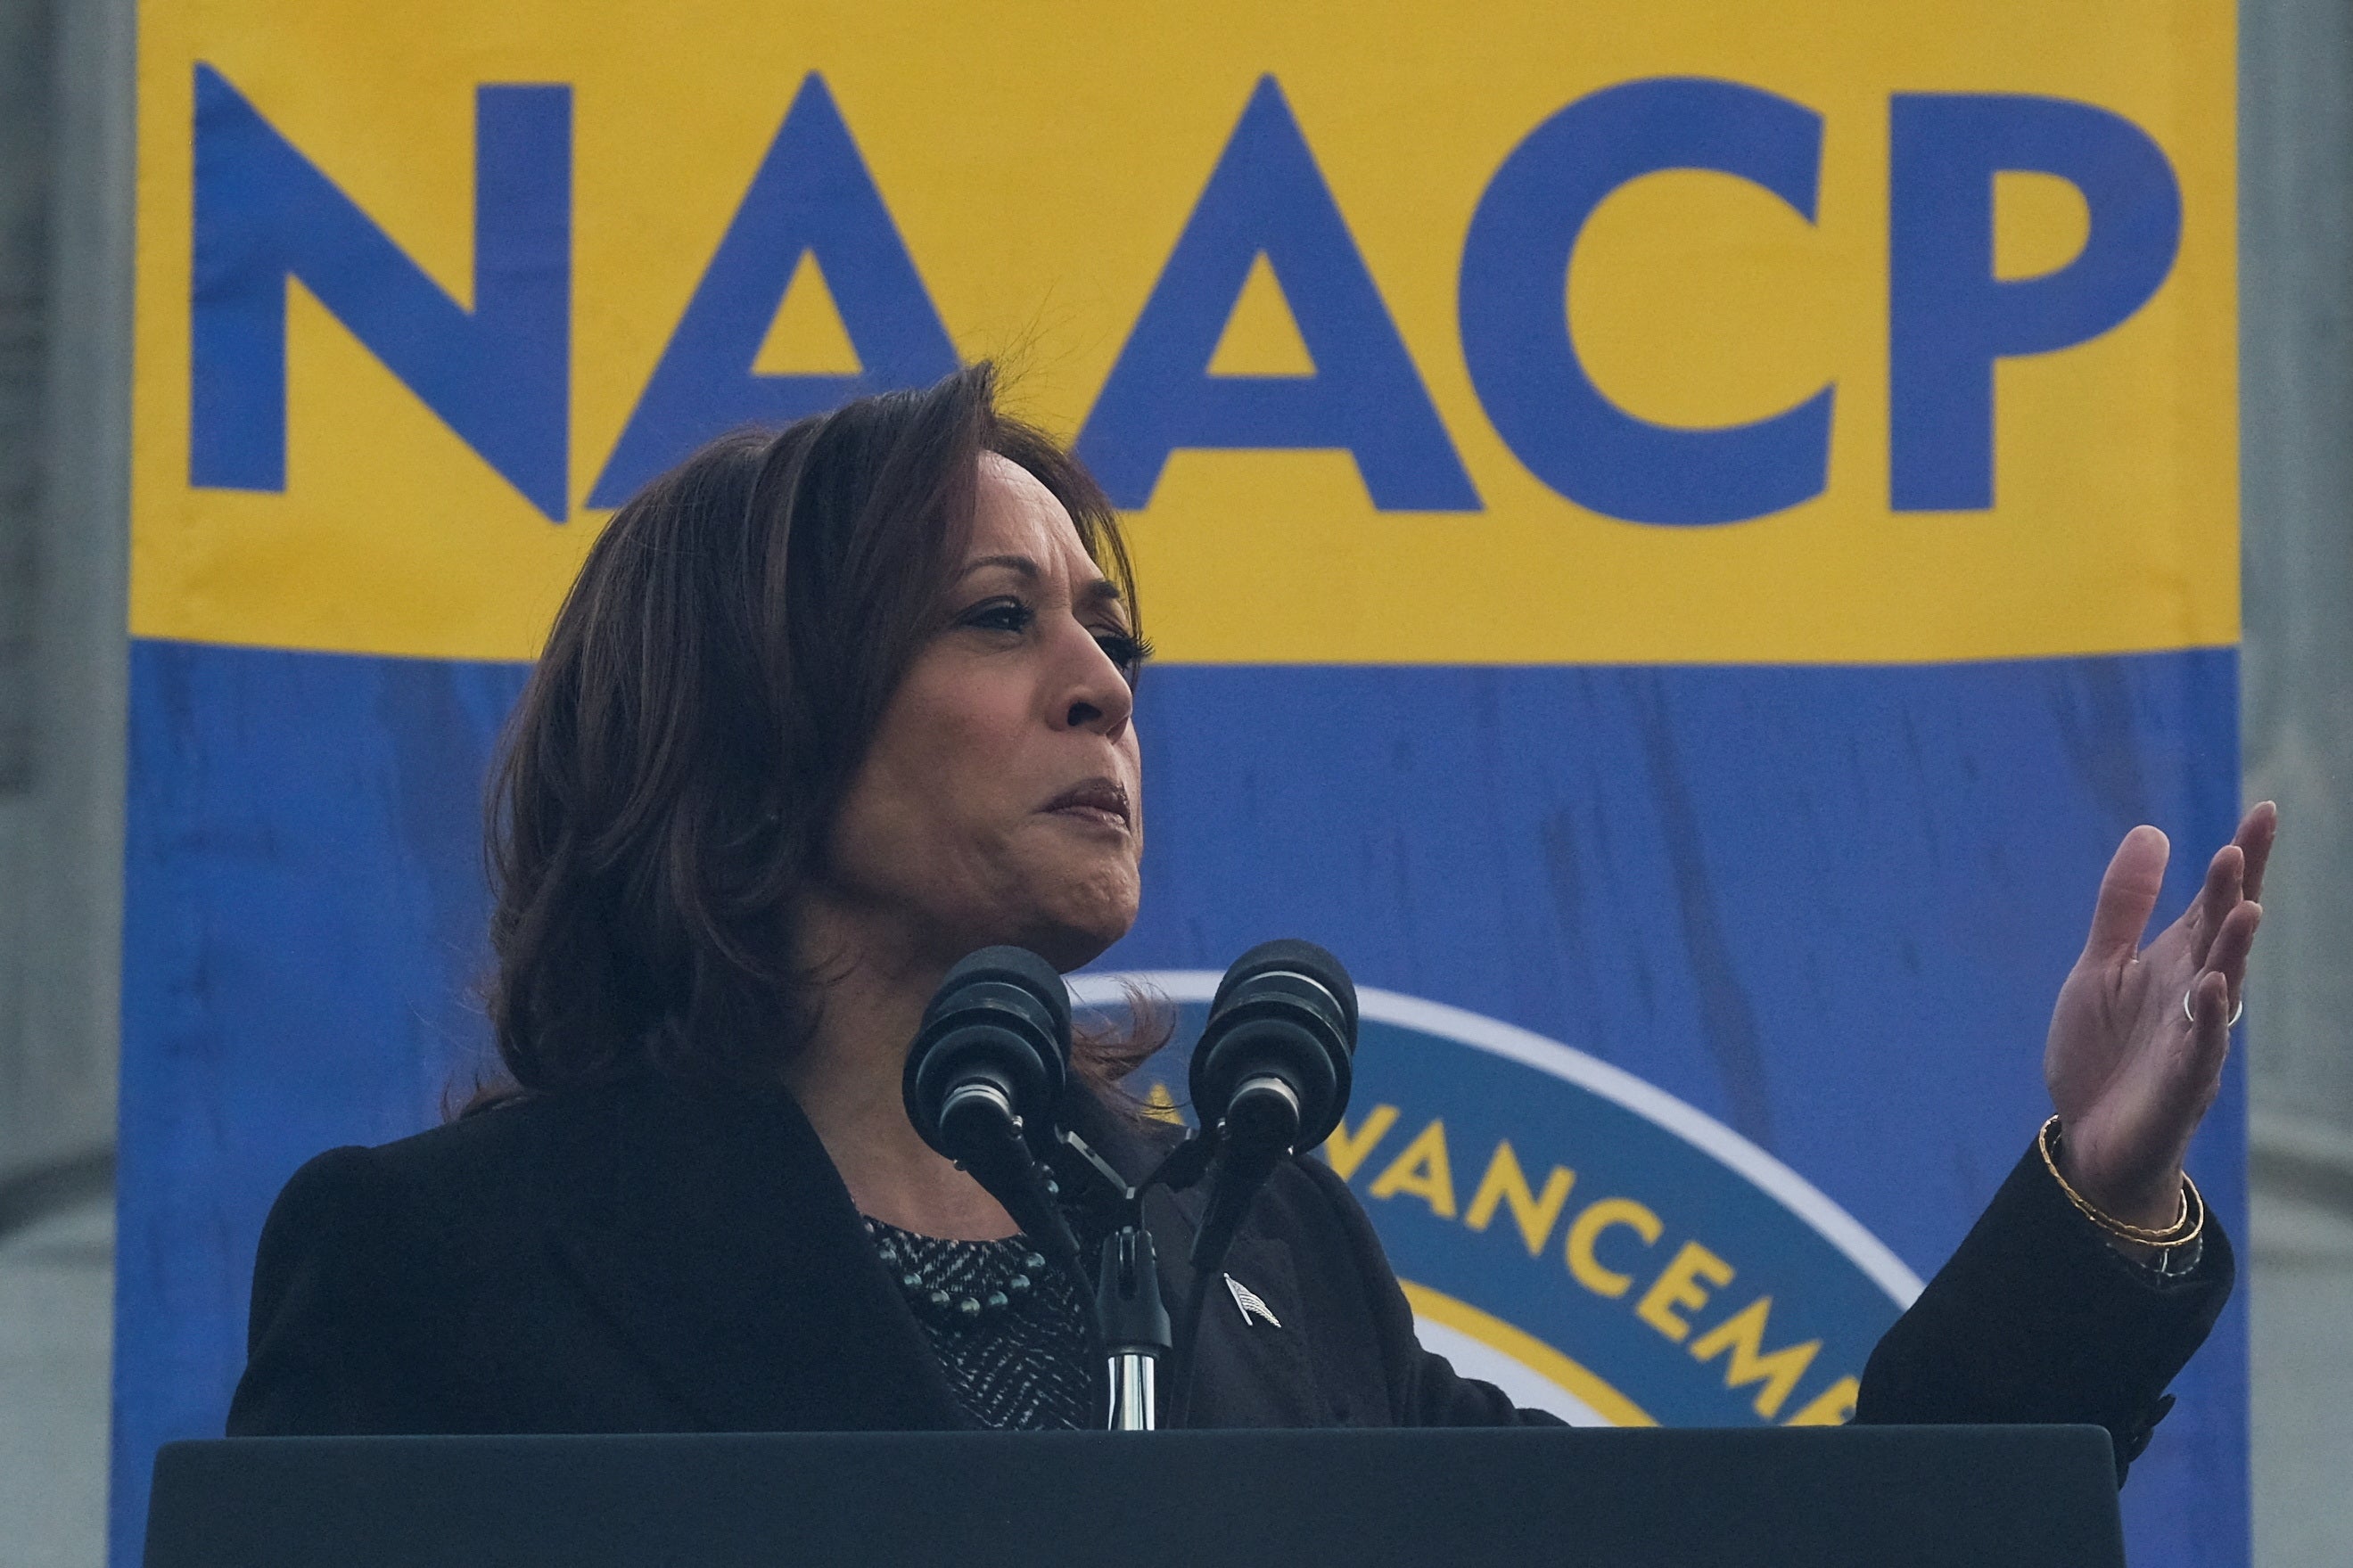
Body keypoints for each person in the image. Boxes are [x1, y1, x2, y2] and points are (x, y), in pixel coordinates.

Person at [227, 365, 2270, 1468]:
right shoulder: (443, 1269)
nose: (1106, 683)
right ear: (757, 726)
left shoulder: (1266, 1248)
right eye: (998, 618)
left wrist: (2089, 1200)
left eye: (1110, 632)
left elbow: (1778, 1565)